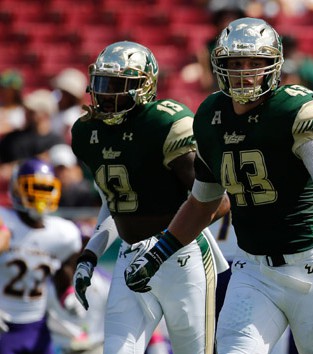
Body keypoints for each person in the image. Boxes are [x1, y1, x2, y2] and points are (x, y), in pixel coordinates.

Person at [124, 18, 313, 353]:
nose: (245, 72)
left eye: (255, 63)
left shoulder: (293, 109)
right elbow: (202, 202)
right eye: (236, 63)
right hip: (252, 272)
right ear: (220, 65)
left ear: (272, 67)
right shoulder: (210, 116)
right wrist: (160, 251)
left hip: (311, 268)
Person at [70, 41, 230, 354]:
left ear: (144, 86)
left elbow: (215, 200)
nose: (107, 93)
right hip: (131, 255)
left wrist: (165, 245)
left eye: (119, 85)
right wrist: (90, 254)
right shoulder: (88, 132)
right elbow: (115, 203)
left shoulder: (162, 123)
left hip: (182, 258)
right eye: (103, 83)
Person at [0, 158, 82, 354]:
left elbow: (63, 275)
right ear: (16, 188)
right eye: (33, 187)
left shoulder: (64, 234)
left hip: (36, 326)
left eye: (45, 188)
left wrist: (68, 296)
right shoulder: (3, 220)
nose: (39, 195)